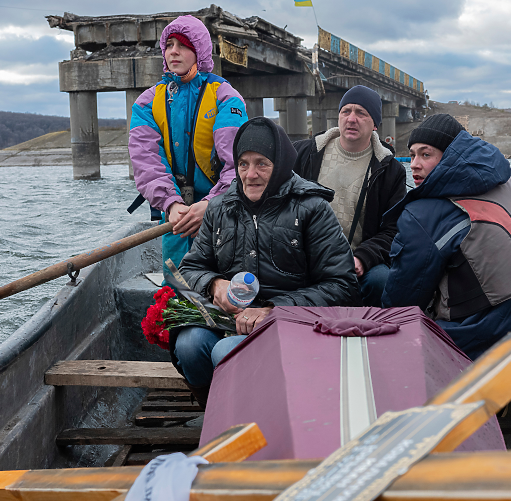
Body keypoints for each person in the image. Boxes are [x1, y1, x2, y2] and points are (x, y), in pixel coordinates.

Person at [174, 117, 359, 403]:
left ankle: (260, 416)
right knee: (189, 345)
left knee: (228, 352)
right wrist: (215, 285)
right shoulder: (220, 208)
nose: (250, 174)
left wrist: (274, 310)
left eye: (262, 163)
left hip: (293, 324)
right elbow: (190, 268)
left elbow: (342, 284)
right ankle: (216, 411)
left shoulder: (312, 208)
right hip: (233, 320)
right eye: (243, 164)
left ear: (281, 164)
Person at [382, 114, 511, 360]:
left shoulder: (425, 214)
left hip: (492, 339)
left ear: (450, 156)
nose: (414, 164)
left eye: (426, 155)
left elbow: (401, 302)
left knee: (391, 332)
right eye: (412, 155)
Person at [128, 15, 248, 278]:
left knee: (222, 288)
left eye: (182, 45)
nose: (174, 51)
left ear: (199, 51)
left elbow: (239, 164)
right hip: (176, 215)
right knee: (179, 290)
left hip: (221, 212)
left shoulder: (225, 96)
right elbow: (146, 162)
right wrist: (170, 204)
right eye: (169, 45)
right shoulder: (146, 103)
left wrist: (211, 205)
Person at [292, 85, 407, 307]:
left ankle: (368, 331)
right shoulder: (305, 153)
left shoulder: (390, 171)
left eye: (361, 113)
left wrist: (363, 258)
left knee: (382, 279)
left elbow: (394, 230)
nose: (351, 119)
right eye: (346, 111)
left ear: (375, 124)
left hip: (355, 265)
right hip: (304, 258)